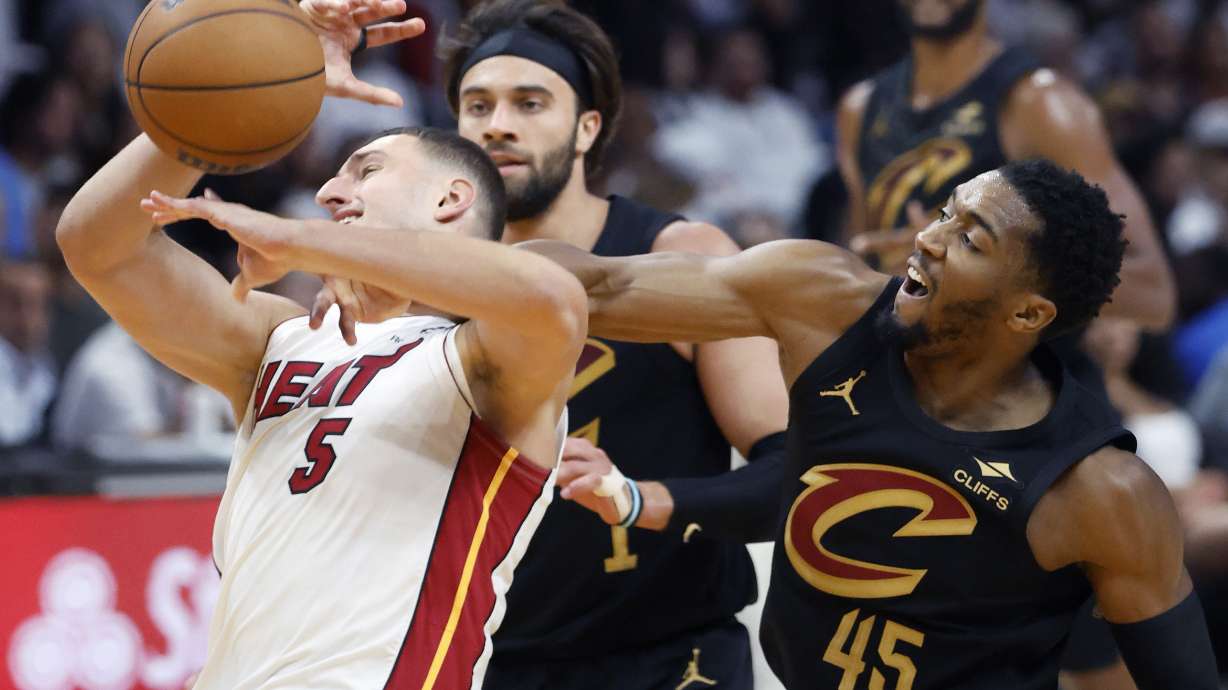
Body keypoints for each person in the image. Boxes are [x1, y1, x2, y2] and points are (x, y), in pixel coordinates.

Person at [529, 160, 1219, 690]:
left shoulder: (1098, 489)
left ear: (1028, 314)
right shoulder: (828, 305)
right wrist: (432, 232)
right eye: (946, 213)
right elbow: (593, 287)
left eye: (969, 239)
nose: (930, 239)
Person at [55, 2, 585, 687]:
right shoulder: (280, 338)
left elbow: (552, 299)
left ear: (450, 200)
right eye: (335, 178)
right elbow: (97, 248)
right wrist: (215, 97)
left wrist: (295, 238)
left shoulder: (483, 360)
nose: (331, 191)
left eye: (364, 171)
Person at [368, 1, 789, 687]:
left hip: (670, 660)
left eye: (530, 103)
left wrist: (639, 498)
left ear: (588, 127)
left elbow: (791, 473)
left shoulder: (679, 257)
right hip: (491, 665)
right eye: (477, 106)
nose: (498, 123)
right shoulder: (420, 286)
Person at [833, 3, 1177, 685]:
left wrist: (983, 271)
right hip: (918, 434)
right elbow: (871, 279)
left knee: (1100, 668)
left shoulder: (1040, 104)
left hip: (1041, 443)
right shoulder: (859, 109)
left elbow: (1152, 291)